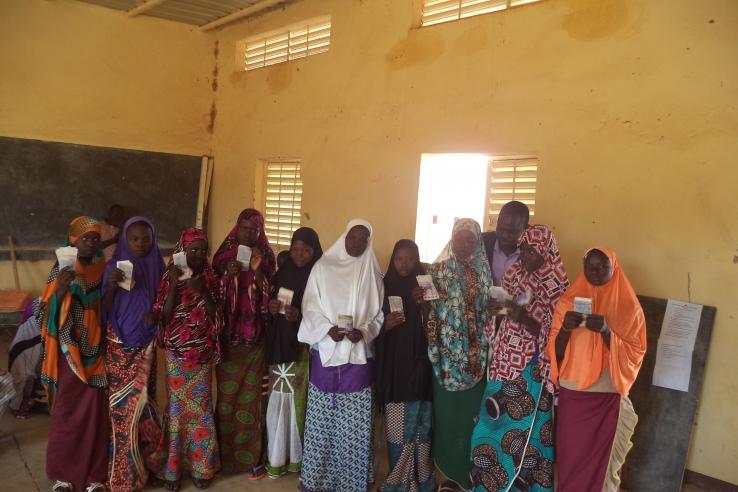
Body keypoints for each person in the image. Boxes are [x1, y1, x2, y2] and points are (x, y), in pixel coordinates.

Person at [470, 225, 569, 491]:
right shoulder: (515, 274)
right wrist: (498, 311)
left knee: (529, 435)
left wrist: (521, 317)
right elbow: (499, 319)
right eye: (523, 249)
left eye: (531, 251)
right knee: (488, 428)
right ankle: (489, 484)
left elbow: (557, 336)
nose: (524, 255)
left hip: (532, 371)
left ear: (546, 252)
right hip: (503, 363)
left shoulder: (557, 286)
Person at [546, 248, 647, 492]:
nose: (596, 272)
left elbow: (636, 351)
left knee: (602, 461)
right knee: (571, 454)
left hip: (607, 393)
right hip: (574, 393)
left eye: (603, 267)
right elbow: (555, 352)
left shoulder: (628, 307)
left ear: (614, 267)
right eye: (591, 266)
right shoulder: (568, 302)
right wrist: (566, 330)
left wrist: (606, 332)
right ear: (583, 267)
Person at [297, 219, 384, 492]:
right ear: (344, 237)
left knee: (354, 426)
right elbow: (310, 306)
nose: (357, 243)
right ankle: (316, 479)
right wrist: (326, 330)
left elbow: (378, 314)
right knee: (322, 421)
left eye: (363, 239)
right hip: (326, 352)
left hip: (358, 356)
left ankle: (351, 481)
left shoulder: (371, 271)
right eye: (353, 237)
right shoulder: (323, 268)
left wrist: (365, 331)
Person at [422, 218, 494, 491]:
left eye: (470, 239)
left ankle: (468, 477)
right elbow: (429, 313)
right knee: (446, 418)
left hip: (476, 359)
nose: (464, 243)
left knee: (471, 420)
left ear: (478, 242)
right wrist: (422, 303)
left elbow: (489, 314)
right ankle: (446, 479)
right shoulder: (438, 270)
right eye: (460, 237)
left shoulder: (484, 272)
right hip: (445, 360)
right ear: (452, 238)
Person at [39, 216, 109, 492]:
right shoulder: (60, 270)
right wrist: (60, 290)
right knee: (67, 413)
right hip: (70, 352)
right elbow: (40, 314)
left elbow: (107, 306)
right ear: (72, 240)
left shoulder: (103, 268)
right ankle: (63, 476)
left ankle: (94, 475)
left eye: (95, 238)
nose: (91, 243)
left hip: (97, 350)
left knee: (94, 414)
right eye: (85, 238)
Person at [151, 228, 222, 491]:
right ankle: (173, 470)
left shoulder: (211, 277)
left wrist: (203, 291)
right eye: (194, 250)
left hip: (201, 354)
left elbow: (219, 319)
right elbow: (164, 317)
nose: (199, 255)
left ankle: (202, 467)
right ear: (182, 250)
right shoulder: (170, 276)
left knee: (200, 410)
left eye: (204, 250)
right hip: (177, 355)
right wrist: (175, 285)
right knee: (177, 410)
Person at [211, 208, 276, 479]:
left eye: (255, 229)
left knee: (253, 401)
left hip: (255, 339)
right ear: (236, 227)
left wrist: (257, 272)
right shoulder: (222, 256)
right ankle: (223, 458)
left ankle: (253, 458)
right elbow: (210, 291)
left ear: (260, 232)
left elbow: (273, 292)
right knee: (226, 400)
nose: (249, 233)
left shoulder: (267, 256)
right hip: (228, 339)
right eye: (245, 227)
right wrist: (227, 274)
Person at [102, 217, 165, 492]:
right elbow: (102, 310)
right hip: (119, 346)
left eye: (146, 238)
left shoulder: (157, 267)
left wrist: (157, 315)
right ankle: (124, 477)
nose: (141, 244)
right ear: (125, 240)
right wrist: (113, 285)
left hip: (147, 346)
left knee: (144, 407)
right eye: (135, 239)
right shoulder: (112, 268)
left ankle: (148, 466)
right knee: (122, 412)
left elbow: (165, 305)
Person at [375, 240, 435, 492]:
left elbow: (437, 325)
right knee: (399, 430)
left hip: (421, 367)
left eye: (410, 258)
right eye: (399, 258)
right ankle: (398, 481)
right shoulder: (382, 286)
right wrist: (385, 325)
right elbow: (370, 327)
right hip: (395, 370)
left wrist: (423, 304)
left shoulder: (426, 283)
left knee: (422, 428)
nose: (404, 264)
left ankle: (423, 480)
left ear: (417, 259)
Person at [265, 227, 323, 479]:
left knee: (299, 402)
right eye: (295, 249)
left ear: (315, 251)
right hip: (280, 345)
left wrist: (300, 316)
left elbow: (323, 313)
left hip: (303, 348)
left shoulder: (319, 276)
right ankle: (276, 457)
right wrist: (271, 306)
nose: (299, 255)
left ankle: (297, 459)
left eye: (306, 250)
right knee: (278, 398)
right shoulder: (281, 274)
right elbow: (268, 303)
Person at [8, 297, 43, 419]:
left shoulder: (41, 302)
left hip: (31, 343)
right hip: (25, 346)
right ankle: (17, 407)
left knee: (28, 375)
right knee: (22, 376)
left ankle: (23, 401)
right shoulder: (40, 304)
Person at [481, 201, 529, 286]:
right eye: (500, 228)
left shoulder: (532, 252)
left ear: (525, 229)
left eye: (512, 232)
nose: (504, 235)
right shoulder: (483, 242)